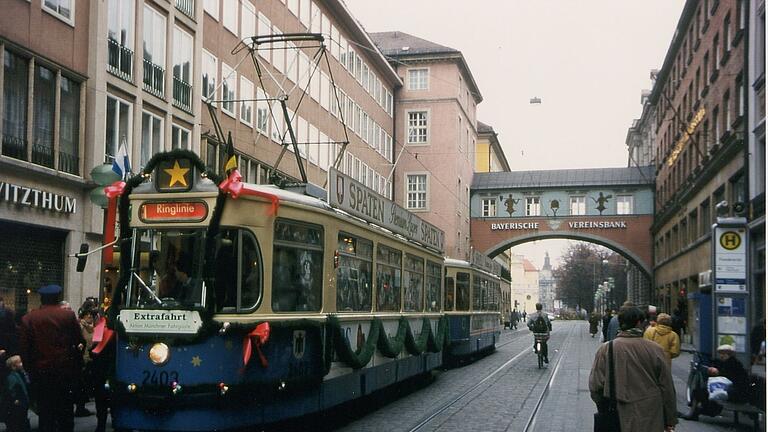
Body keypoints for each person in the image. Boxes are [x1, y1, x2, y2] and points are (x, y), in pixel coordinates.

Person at [589, 306, 677, 432]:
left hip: (618, 414)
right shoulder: (656, 349)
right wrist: (670, 419)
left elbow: (595, 385)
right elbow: (666, 387)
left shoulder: (607, 349)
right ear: (639, 323)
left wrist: (602, 406)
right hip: (651, 415)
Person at [19, 284, 85, 432]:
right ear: (58, 298)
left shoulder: (29, 318)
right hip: (64, 373)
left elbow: (24, 349)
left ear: (41, 298)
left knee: (45, 414)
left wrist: (30, 370)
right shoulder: (67, 316)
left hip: (41, 374)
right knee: (65, 414)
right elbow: (79, 340)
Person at [681, 344, 750, 420]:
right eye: (720, 354)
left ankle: (697, 412)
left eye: (724, 354)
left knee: (700, 392)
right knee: (700, 392)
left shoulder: (733, 364)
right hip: (730, 390)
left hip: (734, 392)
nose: (721, 356)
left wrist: (718, 372)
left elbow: (727, 377)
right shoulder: (728, 362)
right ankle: (697, 412)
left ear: (729, 354)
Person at [3, 355, 30, 432]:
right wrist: (15, 400)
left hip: (23, 405)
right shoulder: (12, 377)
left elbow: (27, 382)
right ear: (14, 366)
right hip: (18, 407)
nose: (22, 364)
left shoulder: (20, 374)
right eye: (19, 362)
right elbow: (11, 390)